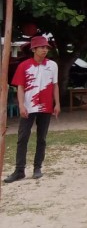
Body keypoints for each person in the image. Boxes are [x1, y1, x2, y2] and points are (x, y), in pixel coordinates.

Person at [4, 36, 60, 183]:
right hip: (28, 107)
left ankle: (37, 168)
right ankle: (19, 170)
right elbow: (20, 87)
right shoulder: (24, 66)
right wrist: (21, 105)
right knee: (22, 138)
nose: (45, 50)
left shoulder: (52, 65)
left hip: (46, 106)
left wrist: (57, 104)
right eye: (42, 47)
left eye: (46, 47)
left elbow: (55, 85)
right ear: (34, 49)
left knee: (42, 138)